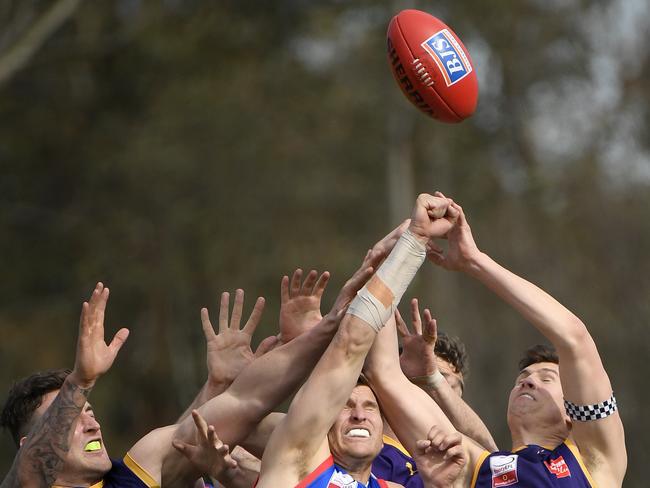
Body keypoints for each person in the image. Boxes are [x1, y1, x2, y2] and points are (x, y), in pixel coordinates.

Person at [364, 194, 627, 487]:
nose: (527, 382)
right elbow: (385, 373)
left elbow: (574, 338)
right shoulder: (475, 467)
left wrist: (474, 261)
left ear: (573, 411)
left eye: (547, 378)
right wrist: (390, 257)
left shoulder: (595, 460)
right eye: (524, 377)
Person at [256, 193, 467, 488]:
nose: (358, 415)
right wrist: (411, 244)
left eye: (370, 407)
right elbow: (352, 344)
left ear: (386, 429)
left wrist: (439, 486)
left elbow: (385, 371)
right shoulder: (297, 463)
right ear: (324, 423)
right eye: (345, 405)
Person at [373, 299, 497, 487]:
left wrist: (433, 379)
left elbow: (493, 457)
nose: (432, 390)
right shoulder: (364, 443)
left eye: (446, 381)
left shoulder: (456, 459)